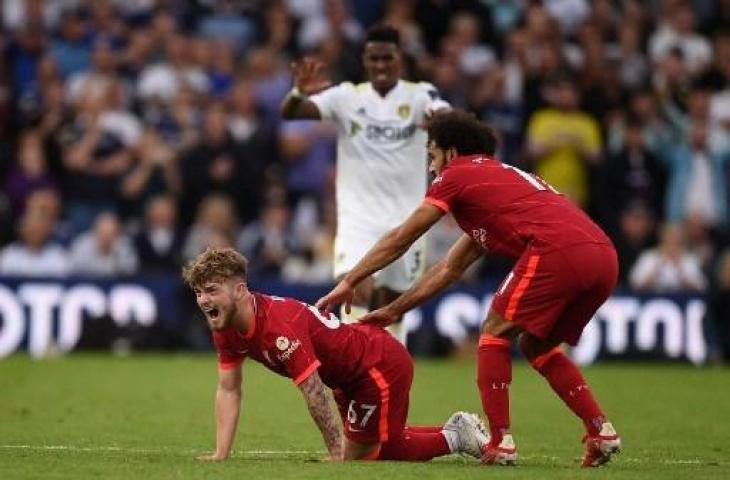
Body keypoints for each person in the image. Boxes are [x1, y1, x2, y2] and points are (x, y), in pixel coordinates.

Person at [317, 110, 622, 467]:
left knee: (493, 333)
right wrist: (395, 310)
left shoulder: (458, 174)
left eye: (432, 156)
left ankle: (500, 442)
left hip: (558, 250)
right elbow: (450, 267)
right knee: (535, 344)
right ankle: (600, 430)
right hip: (603, 256)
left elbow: (402, 237)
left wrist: (349, 280)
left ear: (450, 152)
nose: (431, 168)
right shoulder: (494, 185)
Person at [182, 247, 487, 462]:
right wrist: (221, 453)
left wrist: (335, 456)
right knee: (374, 444)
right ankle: (457, 432)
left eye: (211, 290)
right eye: (198, 293)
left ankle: (457, 438)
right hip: (346, 379)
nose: (203, 300)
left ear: (239, 290)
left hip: (375, 365)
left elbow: (314, 391)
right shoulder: (224, 326)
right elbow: (228, 388)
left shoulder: (277, 327)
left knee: (366, 455)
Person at [280, 24, 450, 338]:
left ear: (400, 59)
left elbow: (443, 114)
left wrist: (437, 122)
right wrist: (298, 92)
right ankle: (355, 378)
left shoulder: (419, 95)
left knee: (391, 305)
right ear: (364, 60)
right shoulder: (346, 96)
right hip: (358, 218)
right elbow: (291, 112)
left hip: (408, 219)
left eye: (387, 58)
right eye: (374, 58)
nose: (381, 65)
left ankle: (391, 378)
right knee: (354, 290)